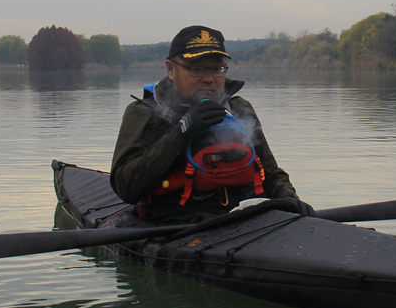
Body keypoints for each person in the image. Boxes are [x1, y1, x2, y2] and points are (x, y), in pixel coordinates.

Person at [110, 25, 311, 222]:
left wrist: (289, 199)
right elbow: (125, 187)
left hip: (243, 219)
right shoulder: (144, 113)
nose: (209, 79)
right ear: (171, 69)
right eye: (196, 69)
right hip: (173, 225)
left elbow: (270, 172)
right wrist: (181, 133)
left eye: (217, 69)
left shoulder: (239, 109)